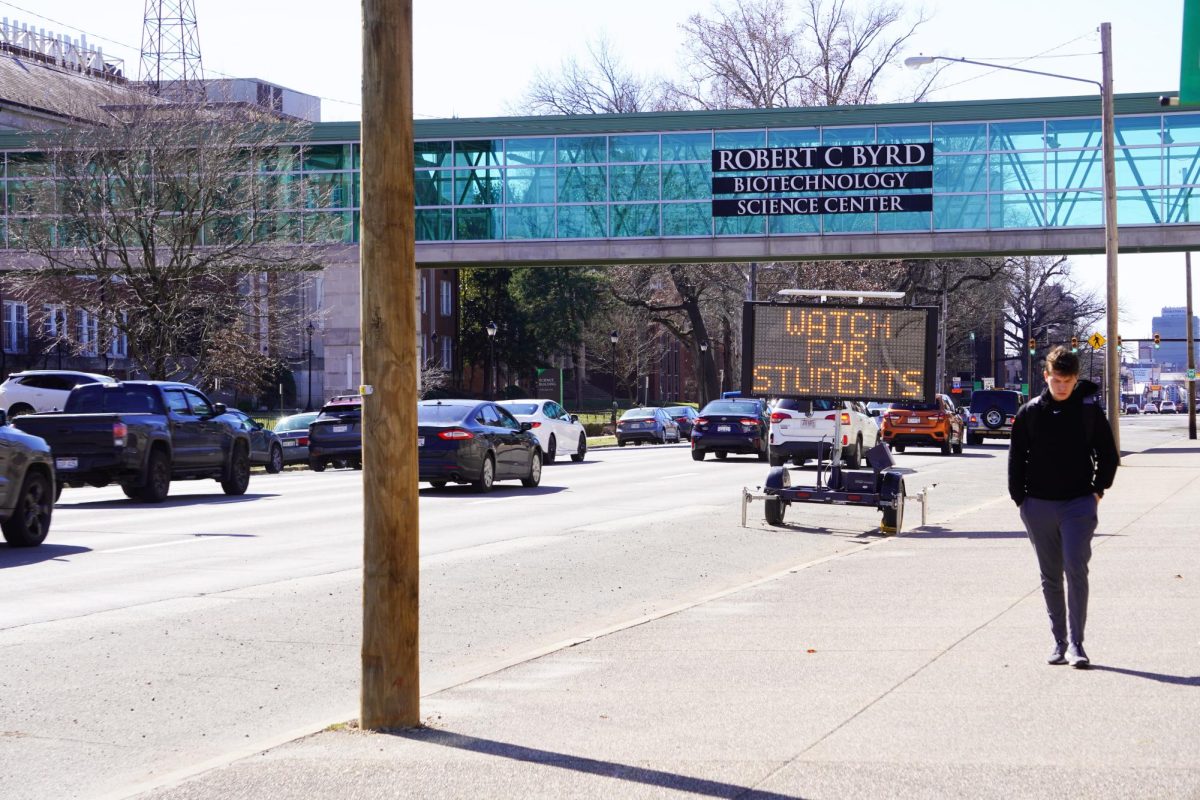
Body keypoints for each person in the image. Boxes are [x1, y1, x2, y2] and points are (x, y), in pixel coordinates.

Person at [1008, 346, 1120, 668]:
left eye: (1067, 381)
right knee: (1050, 576)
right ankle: (1058, 641)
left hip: (1078, 504)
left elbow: (1108, 454)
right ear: (1047, 376)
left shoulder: (1088, 412)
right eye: (1056, 380)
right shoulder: (1029, 413)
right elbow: (1016, 459)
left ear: (1075, 380)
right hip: (1038, 505)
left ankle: (1076, 644)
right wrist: (1020, 500)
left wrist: (1098, 490)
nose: (1061, 387)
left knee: (1075, 566)